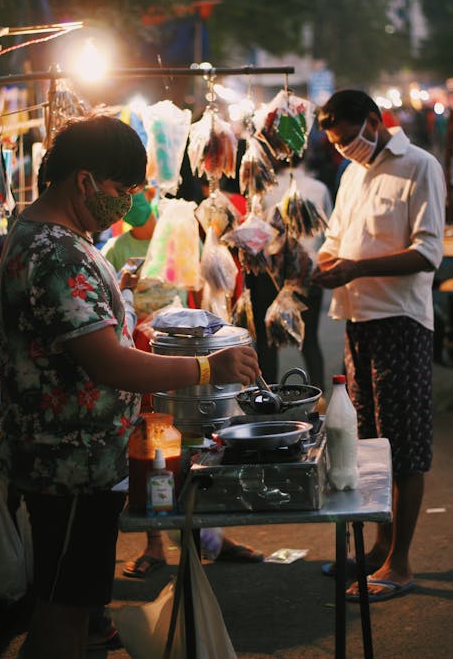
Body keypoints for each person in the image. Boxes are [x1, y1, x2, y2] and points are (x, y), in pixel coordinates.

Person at [0, 113, 259, 659]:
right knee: (64, 615)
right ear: (84, 180)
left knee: (67, 608)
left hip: (80, 459)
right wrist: (207, 368)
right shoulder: (54, 251)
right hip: (69, 463)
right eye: (120, 190)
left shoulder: (62, 238)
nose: (124, 203)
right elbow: (109, 365)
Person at [312, 90, 446, 601]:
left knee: (404, 445)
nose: (344, 149)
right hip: (356, 320)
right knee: (368, 444)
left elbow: (427, 252)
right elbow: (335, 240)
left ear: (373, 121)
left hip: (402, 324)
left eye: (349, 138)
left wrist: (358, 267)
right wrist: (319, 265)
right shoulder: (351, 175)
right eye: (336, 143)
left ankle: (401, 563)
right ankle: (379, 549)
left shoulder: (420, 165)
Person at [102, 188, 263, 579]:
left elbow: (190, 291)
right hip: (139, 356)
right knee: (152, 451)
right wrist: (127, 290)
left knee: (196, 446)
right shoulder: (113, 251)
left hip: (185, 355)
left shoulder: (172, 238)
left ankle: (210, 538)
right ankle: (155, 544)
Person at [262, 154, 333, 392]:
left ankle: (268, 397)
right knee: (309, 339)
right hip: (309, 273)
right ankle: (318, 395)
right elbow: (328, 232)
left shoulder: (266, 189)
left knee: (269, 342)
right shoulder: (319, 188)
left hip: (272, 276)